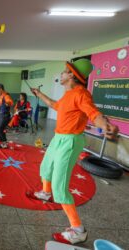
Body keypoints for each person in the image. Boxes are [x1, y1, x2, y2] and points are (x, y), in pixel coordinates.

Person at [29, 58, 119, 244]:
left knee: (60, 186)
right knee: (46, 168)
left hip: (70, 141)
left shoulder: (81, 94)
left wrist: (106, 125)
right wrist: (39, 94)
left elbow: (94, 114)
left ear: (71, 75)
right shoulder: (68, 94)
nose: (61, 73)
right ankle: (45, 194)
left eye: (64, 71)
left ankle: (78, 230)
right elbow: (55, 105)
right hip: (58, 137)